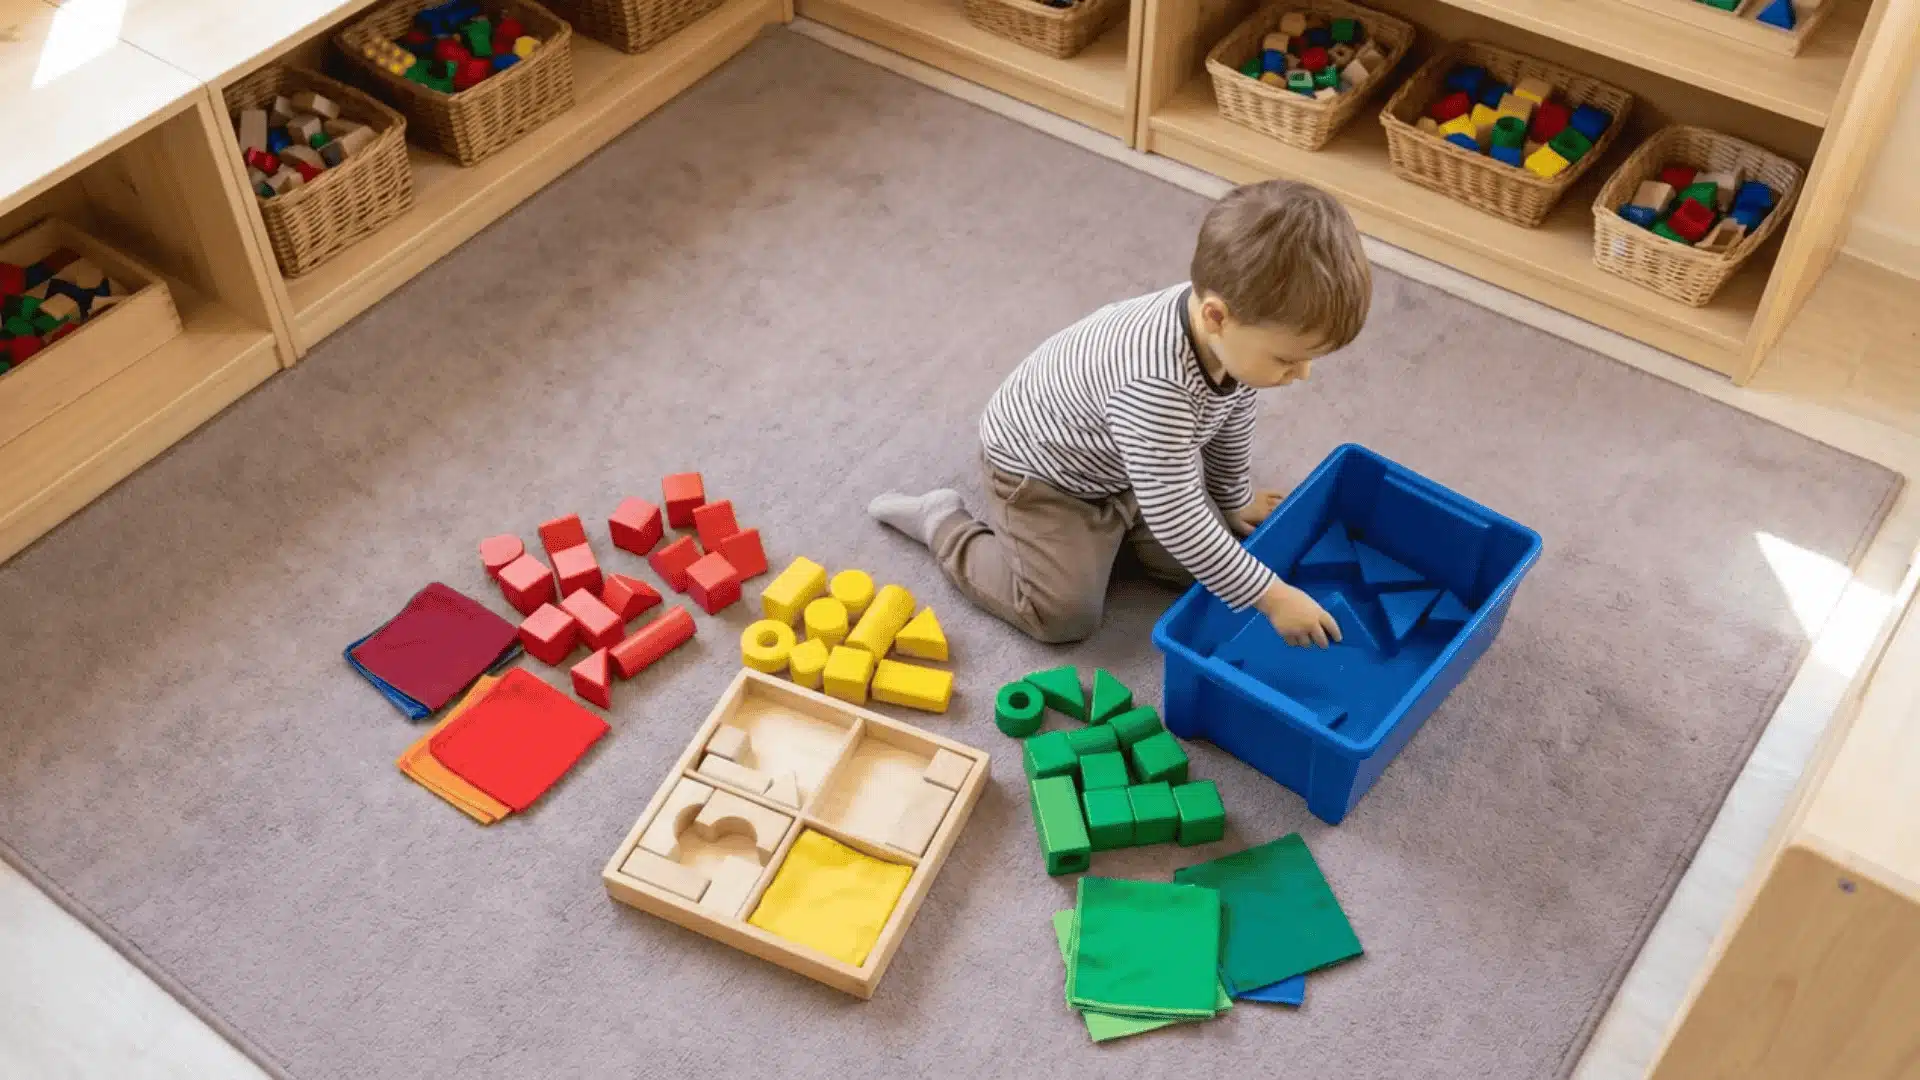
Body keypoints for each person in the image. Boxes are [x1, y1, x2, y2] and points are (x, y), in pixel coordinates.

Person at [869, 179, 1371, 646]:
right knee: (1063, 614)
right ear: (1217, 316)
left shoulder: (1231, 331)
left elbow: (1231, 415)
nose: (1302, 374)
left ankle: (1120, 528)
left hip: (1124, 464)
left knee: (1212, 560)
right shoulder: (1154, 384)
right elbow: (1178, 518)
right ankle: (944, 523)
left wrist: (1233, 496)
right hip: (1044, 480)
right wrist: (1272, 596)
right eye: (1288, 359)